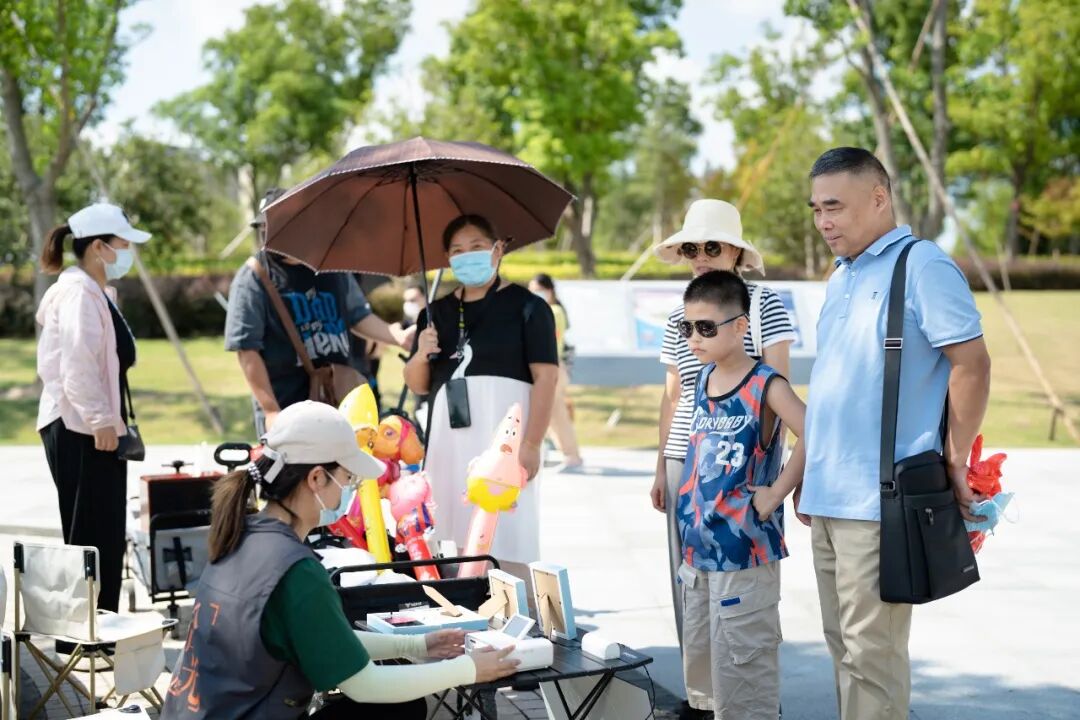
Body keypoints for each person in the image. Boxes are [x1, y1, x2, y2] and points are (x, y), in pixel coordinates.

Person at [161, 401, 520, 720]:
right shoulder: (295, 569)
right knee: (396, 709)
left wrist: (415, 645)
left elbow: (328, 640)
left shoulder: (242, 534)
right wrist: (470, 669)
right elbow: (366, 685)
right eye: (348, 478)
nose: (350, 491)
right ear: (317, 478)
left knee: (400, 709)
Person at [801, 147, 991, 720]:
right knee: (843, 649)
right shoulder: (841, 275)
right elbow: (835, 386)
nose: (823, 222)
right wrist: (808, 478)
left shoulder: (923, 265)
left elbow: (972, 364)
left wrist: (954, 459)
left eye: (834, 207)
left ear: (879, 198)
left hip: (879, 499)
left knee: (872, 658)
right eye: (816, 209)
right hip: (827, 495)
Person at [648, 198, 797, 706]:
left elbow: (778, 389)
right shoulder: (681, 313)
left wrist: (777, 483)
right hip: (684, 460)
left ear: (736, 250)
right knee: (692, 590)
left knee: (740, 603)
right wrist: (660, 468)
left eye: (712, 246)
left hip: (740, 463)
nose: (700, 256)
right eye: (691, 248)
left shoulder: (763, 303)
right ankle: (705, 701)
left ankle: (748, 701)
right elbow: (673, 394)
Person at [674, 270, 807, 720]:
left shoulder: (766, 384)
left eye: (706, 327)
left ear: (740, 326)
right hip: (698, 553)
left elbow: (814, 432)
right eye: (687, 327)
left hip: (744, 553)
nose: (695, 337)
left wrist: (777, 492)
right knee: (706, 678)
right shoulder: (702, 379)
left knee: (744, 676)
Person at [403, 215, 558, 574]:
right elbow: (418, 384)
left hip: (505, 434)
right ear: (447, 258)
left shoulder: (529, 307)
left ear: (498, 249)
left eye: (476, 247)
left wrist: (532, 443)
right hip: (449, 437)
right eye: (457, 250)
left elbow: (546, 377)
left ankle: (511, 593)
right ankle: (457, 592)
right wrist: (421, 352)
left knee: (509, 524)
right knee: (451, 518)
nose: (467, 256)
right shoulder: (434, 313)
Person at [35, 202, 151, 614]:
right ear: (99, 247)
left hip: (89, 427)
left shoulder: (95, 293)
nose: (127, 251)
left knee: (103, 534)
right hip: (80, 428)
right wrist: (100, 420)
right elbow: (77, 364)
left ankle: (101, 628)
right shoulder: (79, 294)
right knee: (91, 535)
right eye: (123, 243)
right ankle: (85, 634)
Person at [225, 190, 414, 435]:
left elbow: (358, 315)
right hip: (288, 410)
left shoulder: (331, 267)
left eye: (280, 225)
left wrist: (398, 336)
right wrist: (271, 411)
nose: (270, 235)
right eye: (264, 228)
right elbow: (246, 349)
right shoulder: (254, 276)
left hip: (340, 401)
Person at [528, 273, 583, 471]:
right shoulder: (542, 310)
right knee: (551, 415)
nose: (536, 294)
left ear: (550, 291)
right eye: (532, 290)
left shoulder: (555, 311)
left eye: (539, 290)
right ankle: (566, 454)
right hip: (548, 368)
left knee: (556, 414)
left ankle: (571, 455)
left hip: (553, 367)